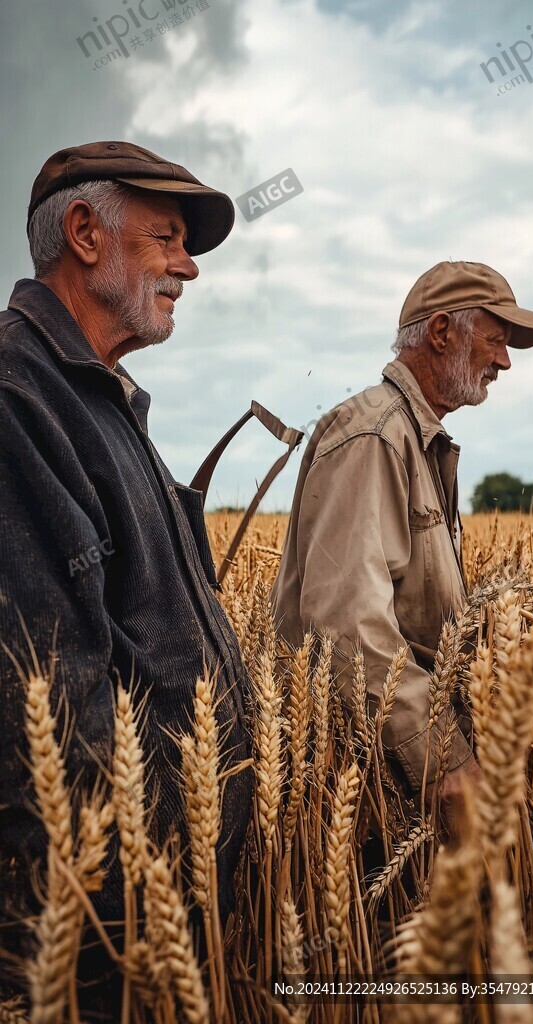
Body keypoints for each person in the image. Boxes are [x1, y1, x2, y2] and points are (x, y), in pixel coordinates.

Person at [0, 142, 253, 1008]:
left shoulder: (102, 398)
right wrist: (109, 949)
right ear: (84, 234)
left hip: (165, 909)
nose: (188, 266)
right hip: (108, 935)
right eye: (167, 238)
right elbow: (51, 706)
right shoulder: (17, 399)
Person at [271, 261, 533, 831]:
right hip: (364, 793)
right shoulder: (374, 437)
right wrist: (445, 758)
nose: (504, 362)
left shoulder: (414, 438)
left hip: (390, 778)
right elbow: (347, 626)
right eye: (496, 340)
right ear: (442, 332)